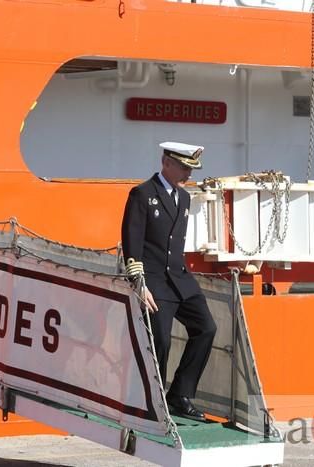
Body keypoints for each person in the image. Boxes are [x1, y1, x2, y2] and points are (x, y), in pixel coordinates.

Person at [121, 141, 217, 422]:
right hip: (153, 280)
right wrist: (139, 282)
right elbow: (132, 241)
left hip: (179, 278)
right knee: (160, 339)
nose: (189, 173)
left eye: (191, 168)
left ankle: (180, 394)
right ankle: (155, 399)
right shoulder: (142, 194)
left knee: (206, 328)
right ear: (166, 163)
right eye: (185, 167)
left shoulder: (184, 198)